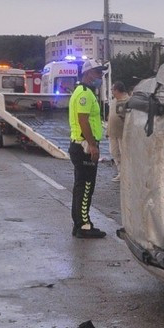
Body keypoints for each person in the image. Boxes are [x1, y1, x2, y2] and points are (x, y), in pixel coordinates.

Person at [68, 59, 107, 238]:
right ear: (88, 73)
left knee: (80, 186)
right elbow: (83, 119)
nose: (100, 76)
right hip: (84, 145)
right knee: (86, 187)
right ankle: (84, 225)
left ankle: (79, 223)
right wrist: (92, 145)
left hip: (80, 145)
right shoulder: (84, 93)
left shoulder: (84, 92)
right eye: (98, 73)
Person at [107, 80, 131, 182]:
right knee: (114, 152)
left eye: (113, 89)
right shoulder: (113, 101)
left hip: (122, 134)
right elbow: (110, 116)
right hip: (112, 133)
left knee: (124, 153)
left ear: (117, 90)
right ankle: (120, 172)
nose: (112, 92)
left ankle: (126, 174)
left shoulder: (128, 101)